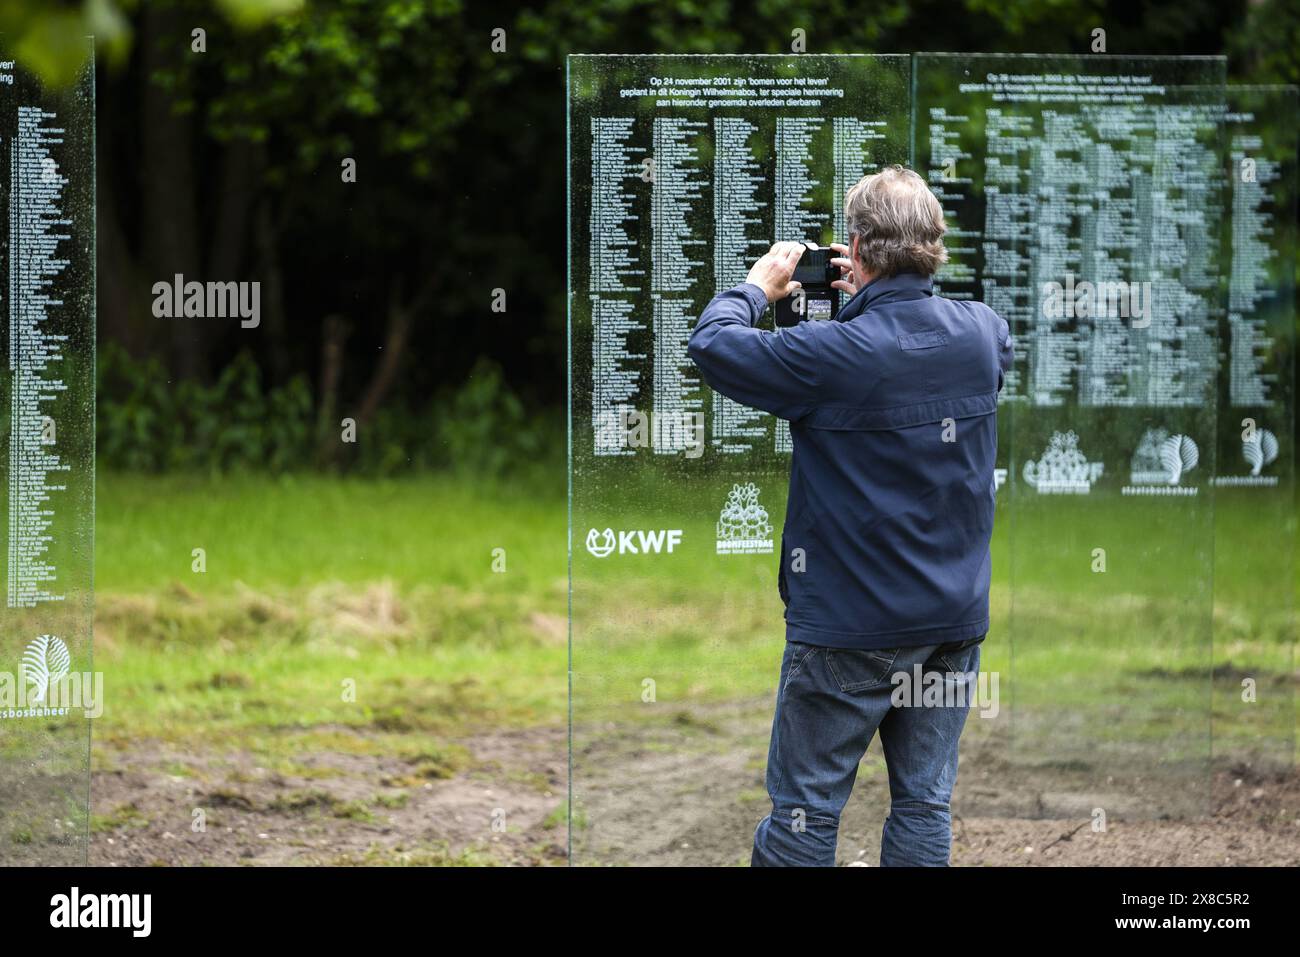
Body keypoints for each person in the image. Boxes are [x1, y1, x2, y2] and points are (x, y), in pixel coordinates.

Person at [687, 165, 1013, 867]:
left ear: (856, 249)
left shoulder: (835, 354)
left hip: (849, 629)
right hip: (951, 622)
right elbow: (932, 358)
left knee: (805, 812)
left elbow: (714, 346)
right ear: (935, 246)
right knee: (925, 803)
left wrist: (757, 288)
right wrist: (868, 302)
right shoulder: (983, 333)